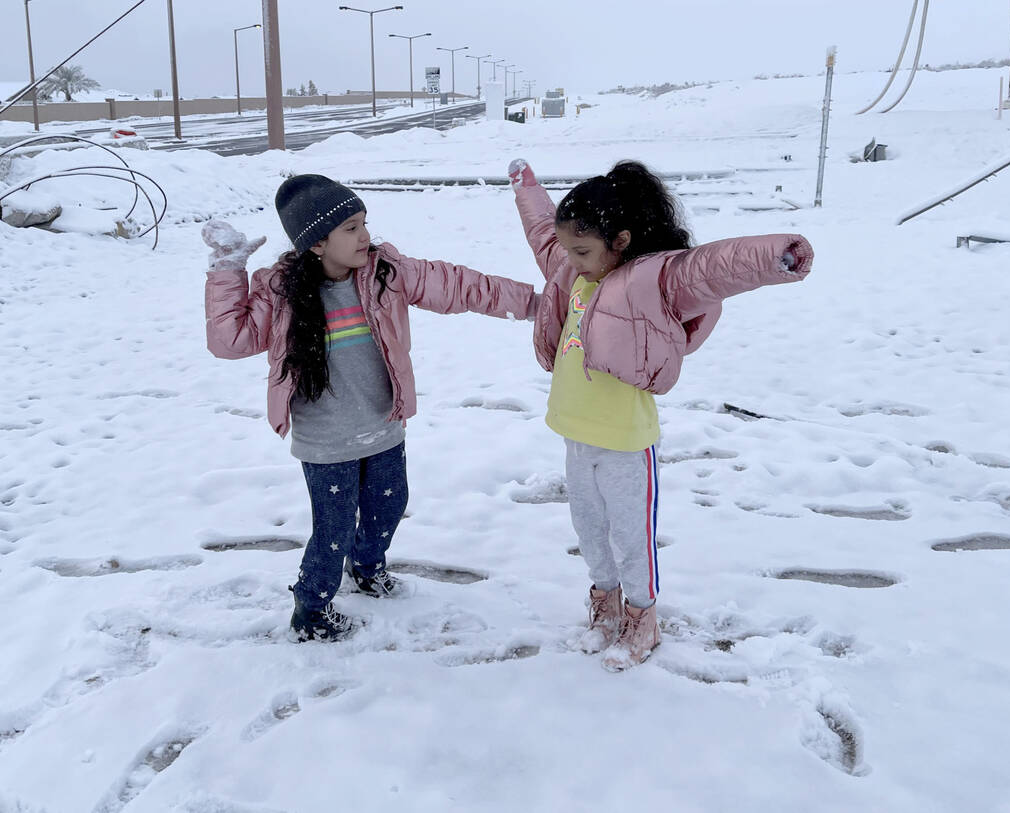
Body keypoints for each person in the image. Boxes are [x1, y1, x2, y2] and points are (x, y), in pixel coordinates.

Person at [507, 158, 813, 671]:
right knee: (589, 530)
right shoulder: (571, 269)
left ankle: (641, 617)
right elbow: (542, 231)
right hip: (575, 436)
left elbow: (715, 267)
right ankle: (604, 606)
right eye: (569, 250)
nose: (572, 260)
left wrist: (777, 256)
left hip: (626, 443)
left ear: (620, 241)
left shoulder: (653, 282)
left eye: (583, 250)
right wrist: (527, 188)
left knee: (631, 538)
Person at [204, 174, 536, 642]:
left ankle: (367, 567)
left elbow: (462, 285)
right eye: (351, 228)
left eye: (364, 224)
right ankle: (312, 607)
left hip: (382, 423)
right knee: (332, 528)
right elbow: (228, 340)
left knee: (389, 505)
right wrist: (227, 269)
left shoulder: (386, 273)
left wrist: (538, 305)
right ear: (317, 243)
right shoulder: (281, 292)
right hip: (326, 437)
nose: (365, 236)